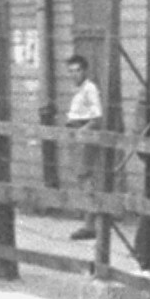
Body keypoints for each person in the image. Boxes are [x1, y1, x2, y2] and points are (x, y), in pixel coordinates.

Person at [64, 53, 103, 240]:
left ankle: (90, 225)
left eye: (78, 70)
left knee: (86, 177)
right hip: (75, 133)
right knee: (81, 178)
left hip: (84, 134)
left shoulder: (90, 89)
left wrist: (82, 133)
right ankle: (88, 220)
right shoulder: (78, 90)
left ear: (85, 71)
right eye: (71, 71)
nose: (74, 74)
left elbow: (97, 118)